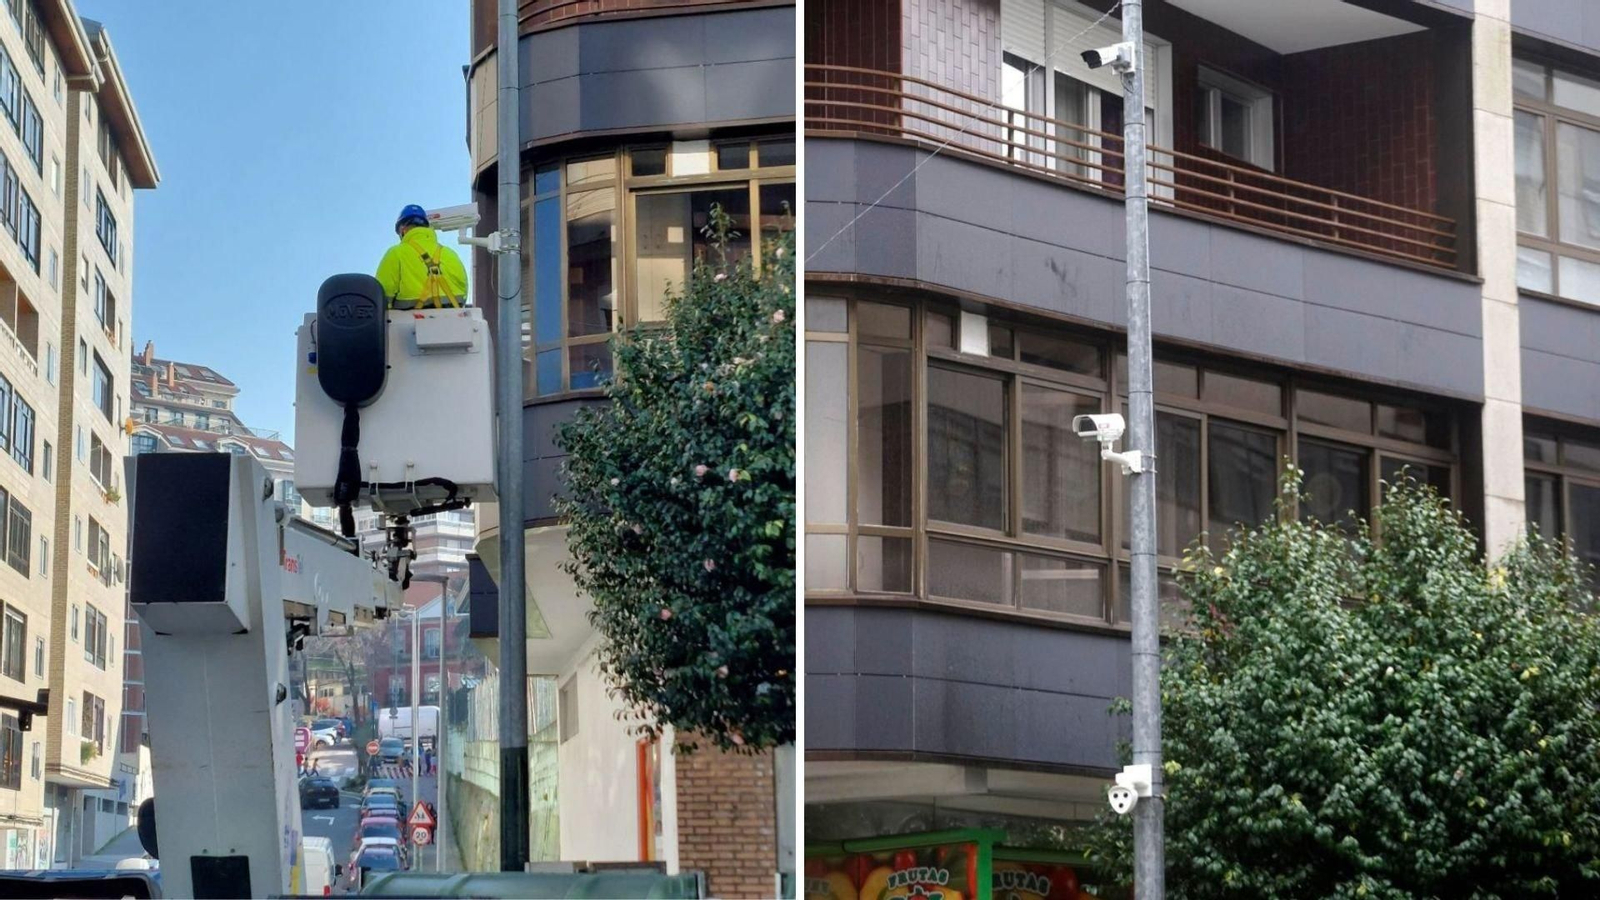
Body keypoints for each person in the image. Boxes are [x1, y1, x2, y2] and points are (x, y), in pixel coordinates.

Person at [375, 204, 469, 309]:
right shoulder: (449, 253)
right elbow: (463, 287)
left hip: (410, 321)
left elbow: (381, 293)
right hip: (456, 318)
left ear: (403, 229)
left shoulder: (396, 253)